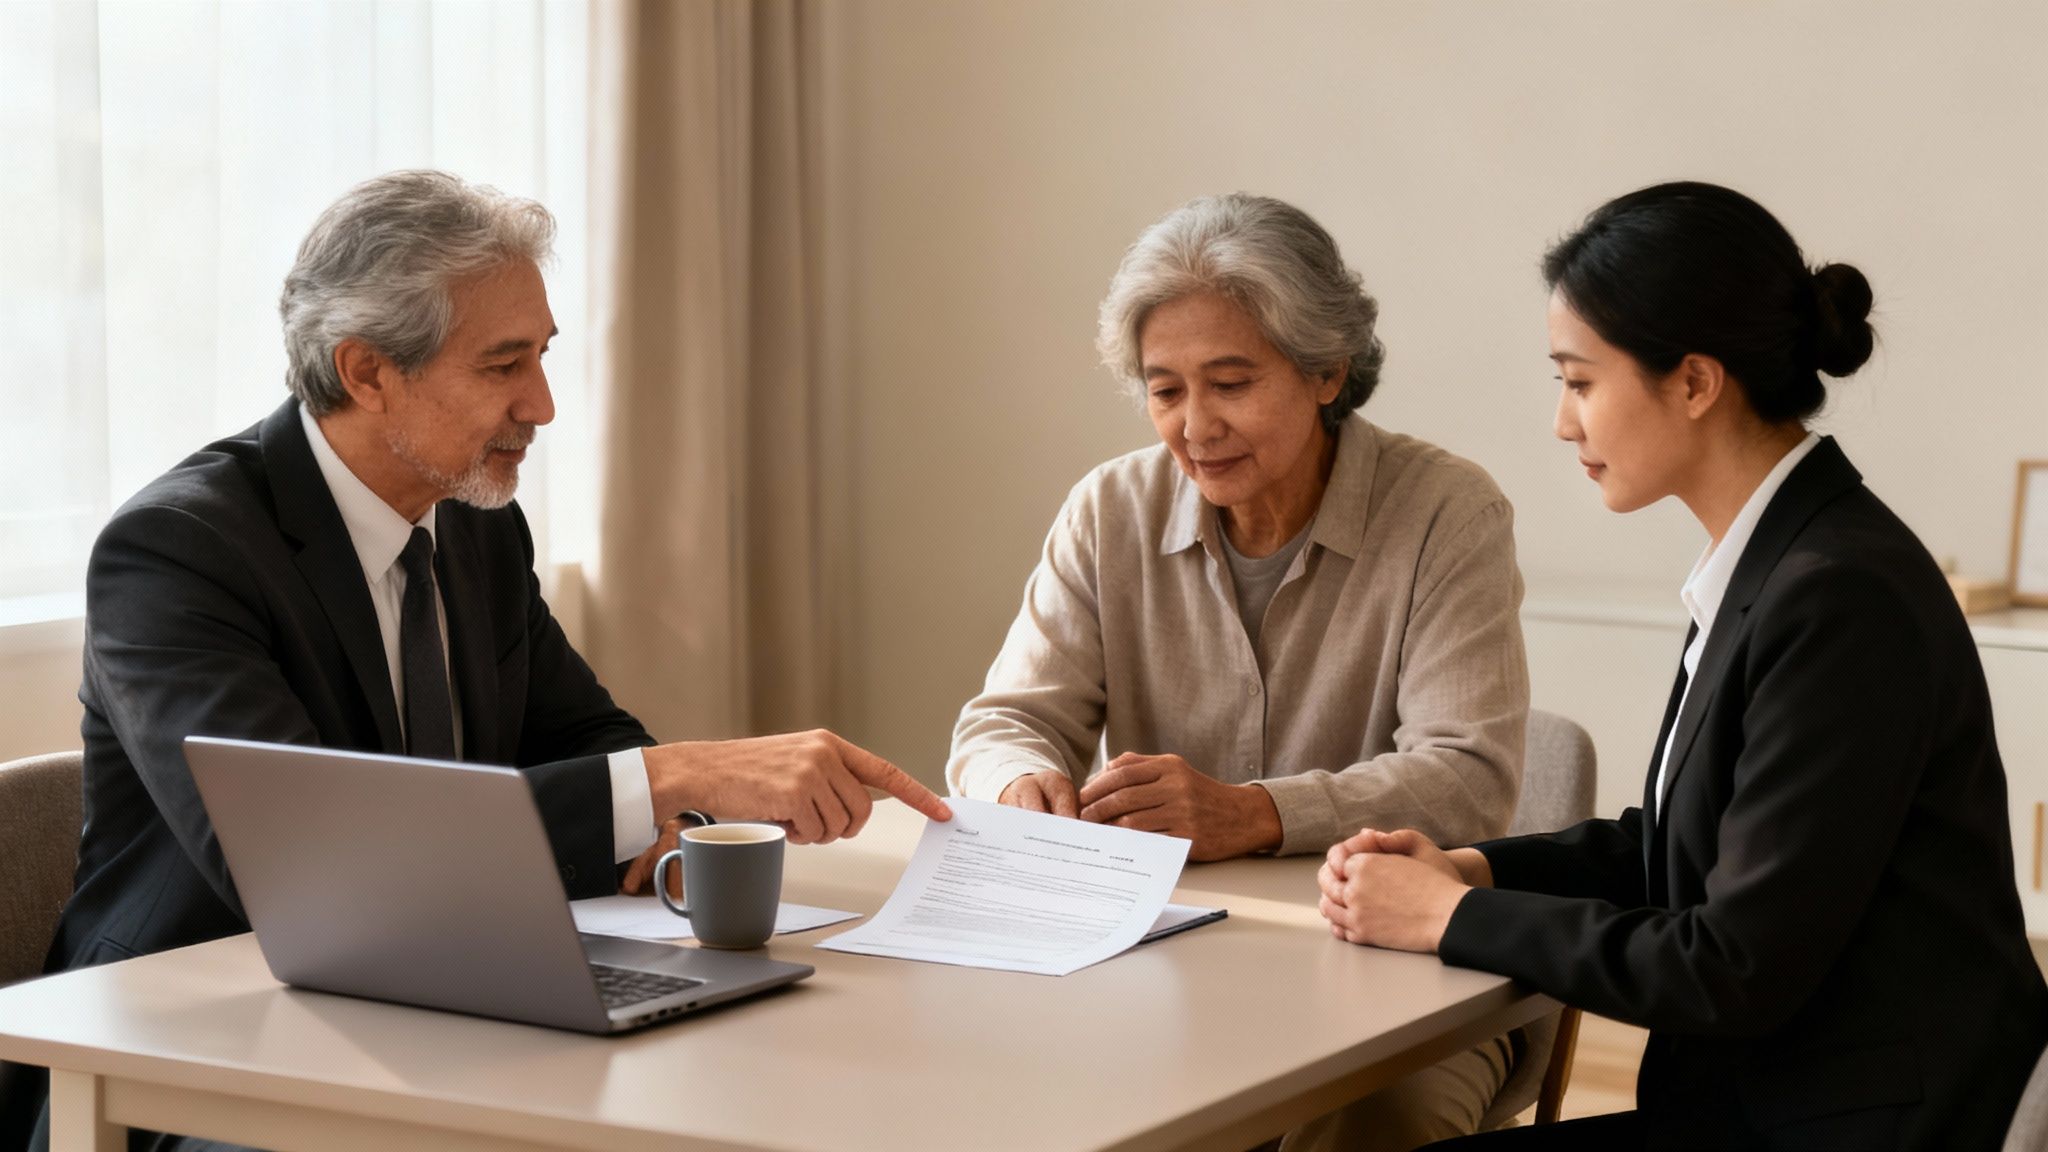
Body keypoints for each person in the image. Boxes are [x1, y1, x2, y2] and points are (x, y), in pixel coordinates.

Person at [7, 170, 951, 1152]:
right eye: (502, 366)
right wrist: (669, 777)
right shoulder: (177, 551)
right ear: (367, 372)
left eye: (542, 357)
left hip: (434, 1006)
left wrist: (670, 822)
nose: (540, 405)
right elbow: (311, 869)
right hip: (188, 1053)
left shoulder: (471, 524)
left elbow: (584, 734)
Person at [1318, 181, 2048, 1150]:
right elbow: (1672, 844)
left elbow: (1727, 963)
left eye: (1578, 382)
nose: (1561, 423)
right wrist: (1471, 869)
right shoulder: (1778, 557)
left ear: (1694, 382)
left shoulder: (1835, 595)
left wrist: (1450, 917)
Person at [947, 193, 1531, 1150]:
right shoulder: (1109, 510)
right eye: (1165, 389)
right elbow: (1000, 723)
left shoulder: (1445, 511)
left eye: (1230, 382)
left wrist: (1253, 814)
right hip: (1163, 963)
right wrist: (1022, 782)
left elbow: (1470, 780)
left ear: (1327, 373)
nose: (1194, 426)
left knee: (1368, 1119)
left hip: (1405, 974)